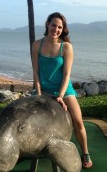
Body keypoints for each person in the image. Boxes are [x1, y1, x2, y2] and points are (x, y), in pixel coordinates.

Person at [32, 12, 93, 168]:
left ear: (63, 29)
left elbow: (67, 74)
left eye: (60, 27)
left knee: (79, 122)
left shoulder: (66, 47)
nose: (56, 29)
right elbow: (36, 72)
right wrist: (38, 94)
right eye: (54, 25)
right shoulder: (37, 45)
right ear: (47, 24)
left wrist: (60, 96)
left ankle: (85, 153)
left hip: (64, 90)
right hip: (43, 90)